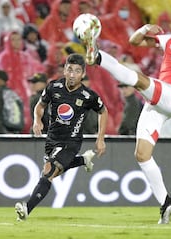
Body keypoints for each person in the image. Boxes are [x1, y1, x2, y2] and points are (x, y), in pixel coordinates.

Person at [77, 10, 171, 224]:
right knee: (142, 154)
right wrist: (144, 29)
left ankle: (97, 57)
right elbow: (133, 41)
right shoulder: (169, 40)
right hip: (157, 103)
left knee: (139, 80)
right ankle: (166, 202)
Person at [14, 53, 108, 221]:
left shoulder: (88, 96)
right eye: (69, 70)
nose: (72, 75)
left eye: (77, 71)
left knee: (48, 171)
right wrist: (37, 121)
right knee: (52, 173)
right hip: (52, 139)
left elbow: (103, 111)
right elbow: (40, 106)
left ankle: (26, 209)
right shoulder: (53, 87)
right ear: (64, 70)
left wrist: (100, 137)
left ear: (83, 74)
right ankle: (82, 160)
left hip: (71, 141)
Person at [0, 69, 24, 134]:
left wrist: (1, 133)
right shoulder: (13, 93)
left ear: (1, 80)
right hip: (15, 131)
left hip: (1, 133)